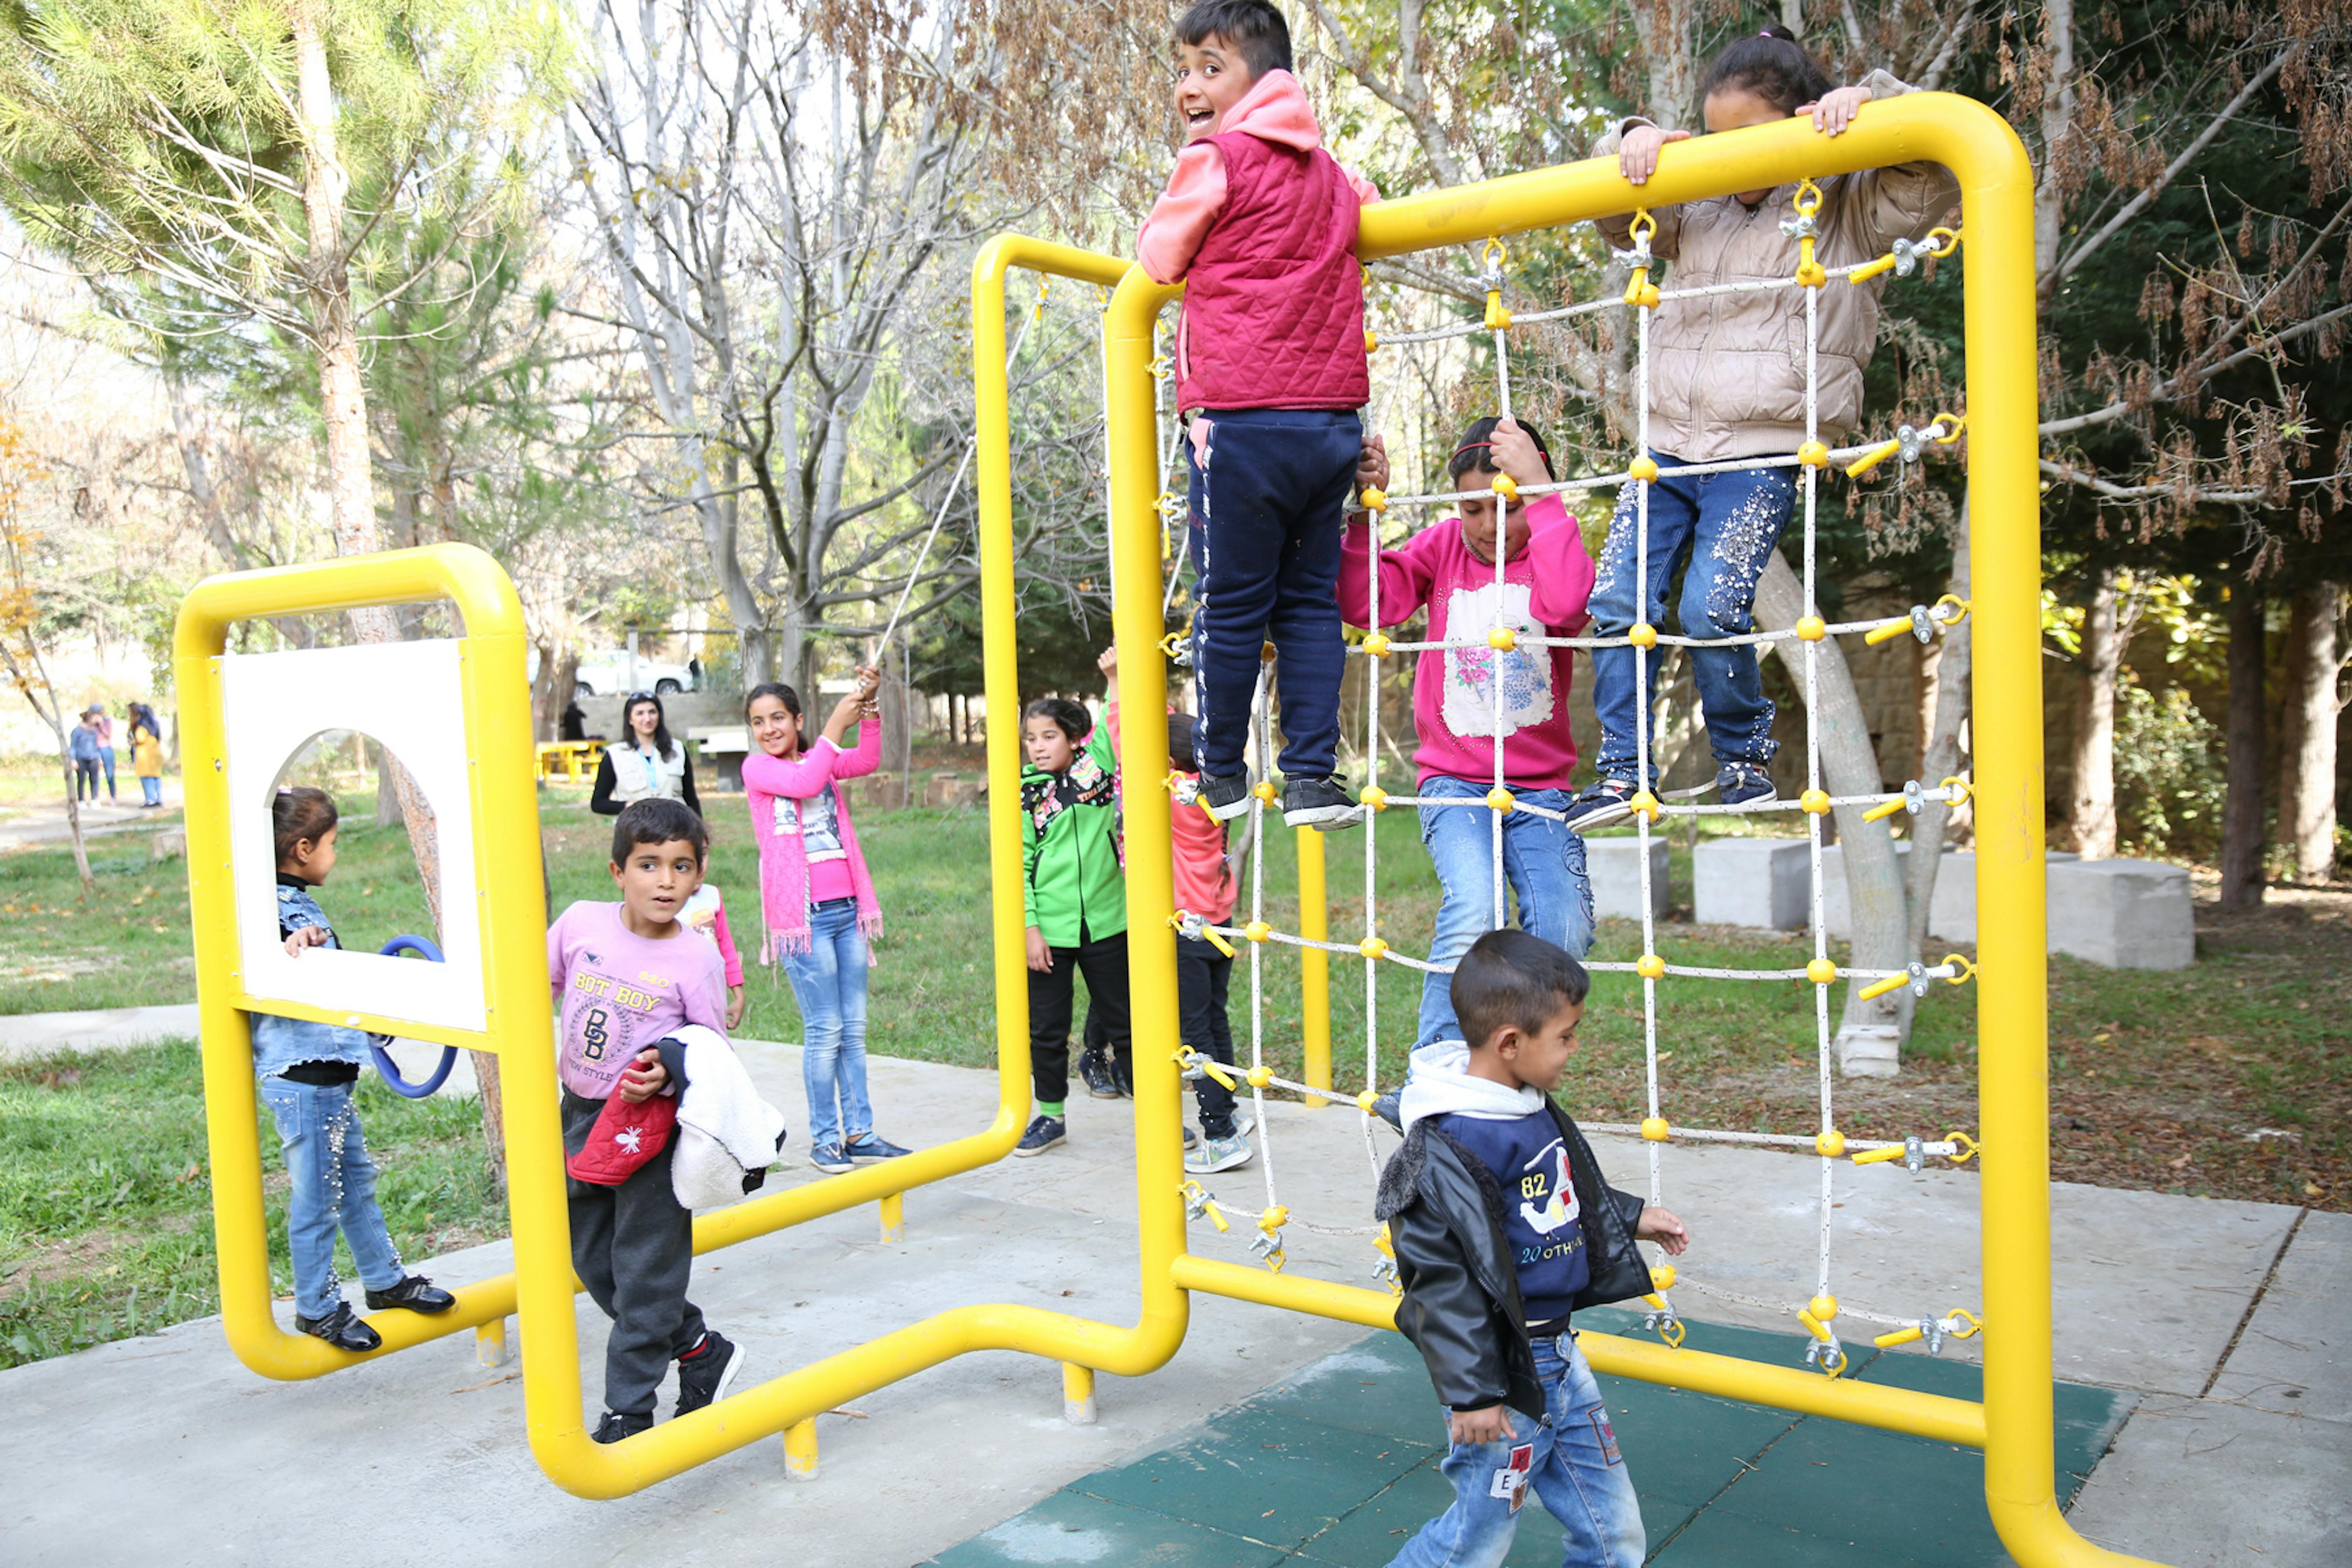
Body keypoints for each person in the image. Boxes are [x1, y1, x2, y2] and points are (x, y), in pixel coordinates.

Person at [1563, 26, 1961, 832]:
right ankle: (1621, 773)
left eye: (1747, 140)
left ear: (1799, 121)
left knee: (1713, 606)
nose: (1729, 158)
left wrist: (1875, 104)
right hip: (1668, 442)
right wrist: (1633, 140)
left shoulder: (1841, 200)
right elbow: (1613, 211)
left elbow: (1936, 176)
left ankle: (1743, 760)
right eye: (1715, 141)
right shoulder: (1696, 204)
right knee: (1616, 600)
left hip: (1763, 447)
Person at [1137, 0, 1380, 831]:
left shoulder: (1215, 157)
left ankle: (1223, 770)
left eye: (1211, 67)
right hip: (1329, 426)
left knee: (1232, 603)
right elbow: (1364, 207)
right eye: (1183, 69)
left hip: (1241, 422)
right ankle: (1314, 778)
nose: (1189, 87)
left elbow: (1160, 256)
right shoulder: (1329, 170)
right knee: (1311, 603)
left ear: (1265, 80)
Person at [1376, 930, 1691, 1568]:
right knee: (1476, 1539)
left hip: (1561, 1359)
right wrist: (1474, 1394)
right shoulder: (1449, 1145)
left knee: (1615, 1531)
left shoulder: (1525, 1106)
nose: (1576, 1048)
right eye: (1566, 1035)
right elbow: (1440, 1283)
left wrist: (1632, 1217)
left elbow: (1551, 1190)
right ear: (1511, 1044)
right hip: (1507, 1378)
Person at [1341, 416, 1600, 1049]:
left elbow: (1568, 606)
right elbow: (1367, 605)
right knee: (1475, 912)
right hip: (1455, 782)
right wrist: (1360, 518)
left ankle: (1518, 1066)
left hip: (1541, 792)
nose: (1489, 525)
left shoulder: (1552, 547)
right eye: (1473, 508)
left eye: (1508, 507)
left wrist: (1544, 500)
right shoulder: (1442, 548)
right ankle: (1434, 1068)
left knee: (1565, 934)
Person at [549, 797, 745, 1443]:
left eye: (681, 866)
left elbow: (709, 1052)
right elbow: (534, 984)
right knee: (592, 1261)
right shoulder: (581, 925)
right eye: (648, 865)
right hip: (579, 1115)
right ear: (617, 872)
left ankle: (629, 1409)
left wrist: (668, 1067)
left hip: (648, 1128)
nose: (666, 881)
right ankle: (696, 1345)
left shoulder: (696, 957)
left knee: (645, 1269)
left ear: (699, 874)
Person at [252, 786, 457, 1352]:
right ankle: (316, 1307)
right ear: (301, 848)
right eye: (333, 844)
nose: (336, 855)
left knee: (354, 1184)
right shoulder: (265, 910)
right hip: (301, 1078)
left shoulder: (296, 899)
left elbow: (332, 987)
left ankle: (385, 1281)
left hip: (330, 1073)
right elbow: (273, 961)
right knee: (319, 1196)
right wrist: (292, 944)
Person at [742, 671, 911, 1176]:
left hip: (847, 913)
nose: (769, 729)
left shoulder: (818, 759)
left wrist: (869, 711)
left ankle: (860, 1133)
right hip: (803, 920)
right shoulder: (759, 770)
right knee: (826, 1031)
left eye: (778, 718)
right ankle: (824, 1140)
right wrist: (837, 724)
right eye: (758, 722)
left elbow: (865, 760)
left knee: (853, 1031)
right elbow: (805, 782)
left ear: (797, 720)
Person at [1098, 648, 1253, 1170]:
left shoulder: (1169, 794)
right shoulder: (1215, 786)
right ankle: (1229, 1111)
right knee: (1215, 1019)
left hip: (1186, 928)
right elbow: (1160, 734)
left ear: (1166, 763)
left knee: (1196, 1034)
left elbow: (1125, 737)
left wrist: (1119, 679)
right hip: (1219, 921)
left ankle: (1221, 1134)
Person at [1014, 689, 1130, 1156]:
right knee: (1047, 1028)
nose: (1038, 747)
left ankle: (1155, 1117)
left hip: (1107, 921)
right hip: (1049, 931)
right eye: (1030, 739)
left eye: (1048, 737)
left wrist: (1114, 678)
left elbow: (1114, 720)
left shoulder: (1096, 768)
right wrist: (1030, 928)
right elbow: (1019, 864)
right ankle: (1050, 1117)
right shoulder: (1023, 791)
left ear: (1073, 738)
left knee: (1127, 1026)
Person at [591, 691, 700, 818]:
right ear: (630, 720)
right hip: (636, 830)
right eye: (640, 714)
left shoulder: (678, 749)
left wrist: (701, 832)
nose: (647, 719)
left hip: (676, 829)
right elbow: (598, 803)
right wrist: (630, 806)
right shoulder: (615, 755)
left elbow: (691, 798)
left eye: (652, 712)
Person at [132, 714, 165, 808]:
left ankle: (151, 800)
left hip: (145, 756)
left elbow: (140, 739)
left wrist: (133, 741)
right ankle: (159, 799)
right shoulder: (154, 724)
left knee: (147, 778)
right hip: (156, 754)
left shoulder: (142, 726)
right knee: (156, 777)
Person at [68, 710, 101, 801]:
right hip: (81, 758)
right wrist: (73, 759)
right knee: (81, 780)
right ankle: (81, 800)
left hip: (93, 757)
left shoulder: (95, 731)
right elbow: (73, 746)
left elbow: (97, 745)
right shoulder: (77, 731)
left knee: (94, 779)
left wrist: (99, 757)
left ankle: (95, 799)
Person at [88, 703, 117, 800]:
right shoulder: (91, 723)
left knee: (110, 774)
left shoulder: (107, 721)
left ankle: (113, 796)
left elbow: (107, 734)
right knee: (95, 774)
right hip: (94, 748)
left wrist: (101, 723)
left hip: (106, 748)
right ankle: (95, 797)